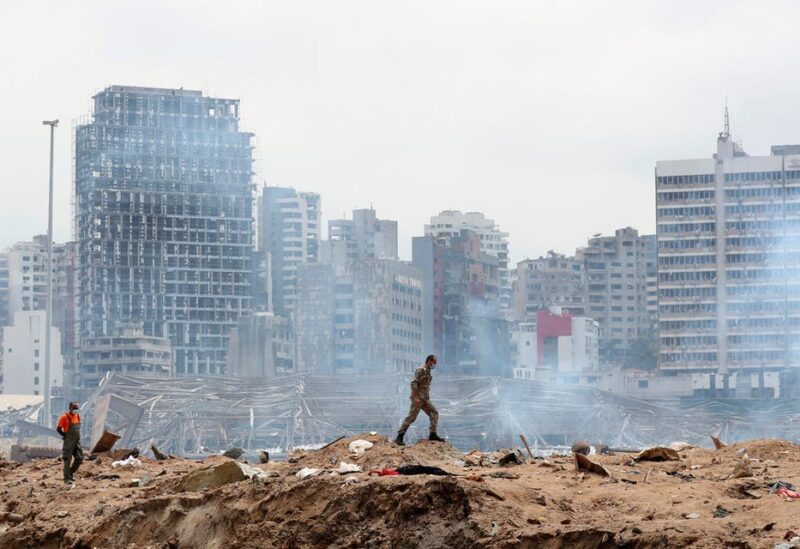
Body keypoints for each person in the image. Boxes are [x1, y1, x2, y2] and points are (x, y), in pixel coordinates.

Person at [394, 355, 445, 445]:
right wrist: (415, 397)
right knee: (411, 418)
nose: (435, 365)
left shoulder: (428, 370)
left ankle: (433, 434)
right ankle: (399, 437)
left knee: (434, 413)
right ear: (429, 361)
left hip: (424, 399)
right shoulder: (421, 369)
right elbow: (414, 382)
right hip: (418, 399)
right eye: (434, 363)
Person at [56, 401, 83, 484]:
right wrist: (65, 435)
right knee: (67, 459)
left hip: (76, 441)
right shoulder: (64, 417)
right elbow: (58, 429)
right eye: (74, 408)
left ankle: (70, 473)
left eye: (77, 408)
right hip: (68, 442)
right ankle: (67, 478)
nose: (75, 410)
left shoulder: (78, 416)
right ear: (70, 408)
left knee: (79, 458)